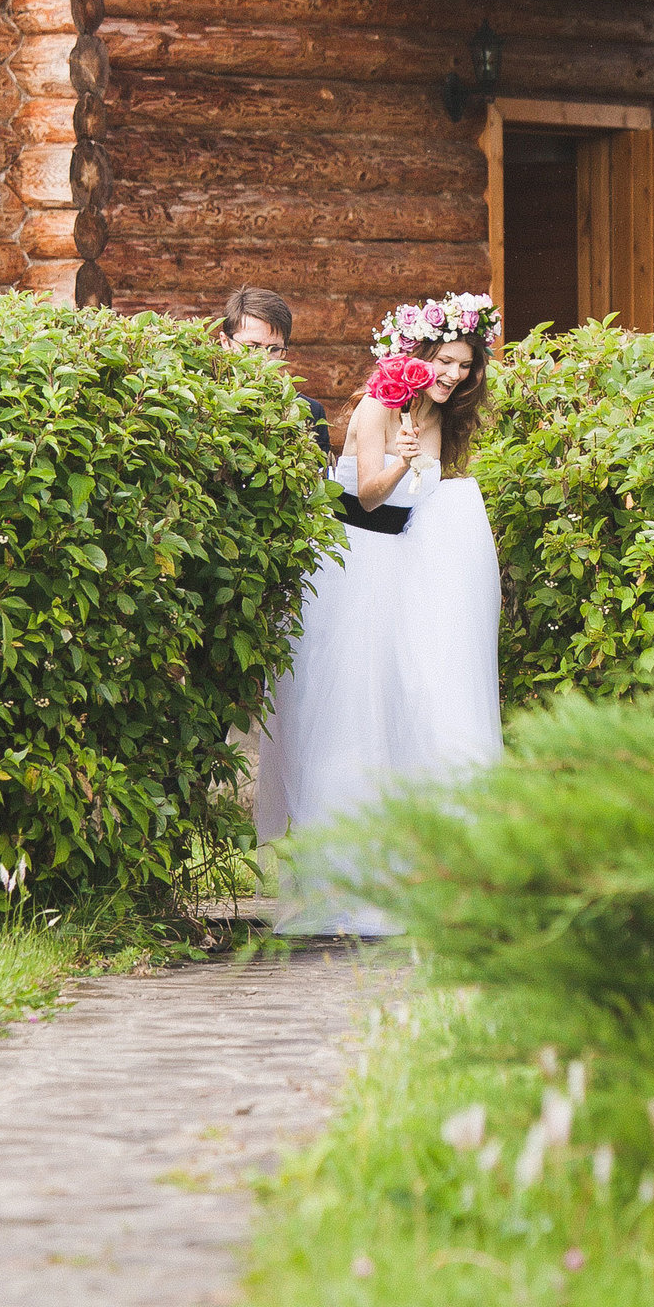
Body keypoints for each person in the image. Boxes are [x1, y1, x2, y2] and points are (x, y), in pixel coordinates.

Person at [253, 292, 504, 937]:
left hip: (410, 565)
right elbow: (367, 496)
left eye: (464, 365)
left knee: (423, 706)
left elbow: (432, 499)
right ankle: (347, 877)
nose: (452, 374)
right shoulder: (376, 405)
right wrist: (401, 457)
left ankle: (431, 875)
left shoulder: (440, 413)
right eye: (444, 360)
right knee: (356, 713)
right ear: (418, 355)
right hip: (363, 569)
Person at [219, 285, 330, 454]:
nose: (264, 358)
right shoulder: (204, 403)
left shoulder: (311, 412)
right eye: (252, 347)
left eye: (274, 349)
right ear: (225, 342)